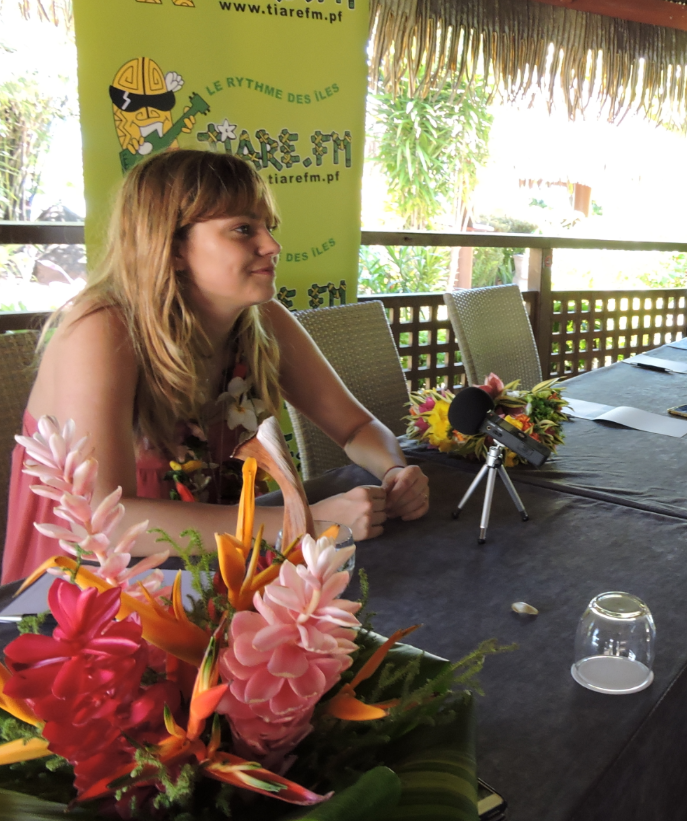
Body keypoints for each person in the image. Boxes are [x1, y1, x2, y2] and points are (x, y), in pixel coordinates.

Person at [4, 149, 430, 585]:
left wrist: (395, 471)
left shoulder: (261, 321)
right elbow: (104, 520)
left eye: (268, 227)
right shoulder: (103, 329)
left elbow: (355, 427)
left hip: (218, 568)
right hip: (85, 589)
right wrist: (300, 522)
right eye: (243, 229)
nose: (272, 246)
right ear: (171, 248)